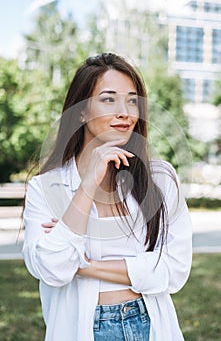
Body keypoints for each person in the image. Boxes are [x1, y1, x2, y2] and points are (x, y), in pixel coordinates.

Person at [23, 52, 192, 341]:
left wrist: (82, 264)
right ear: (81, 111)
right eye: (109, 99)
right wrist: (87, 185)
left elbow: (173, 270)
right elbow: (52, 270)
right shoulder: (46, 187)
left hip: (149, 324)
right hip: (82, 328)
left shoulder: (161, 179)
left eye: (132, 100)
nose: (124, 112)